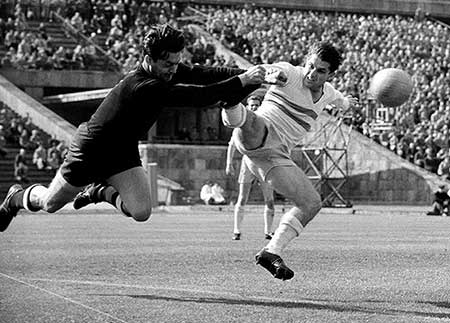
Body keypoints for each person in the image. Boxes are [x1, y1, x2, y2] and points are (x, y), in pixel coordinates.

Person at [0, 23, 267, 232]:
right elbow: (198, 98)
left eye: (176, 63)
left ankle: (99, 191)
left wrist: (244, 72)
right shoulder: (144, 86)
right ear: (148, 57)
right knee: (50, 204)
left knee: (141, 211)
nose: (174, 70)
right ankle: (15, 196)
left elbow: (204, 74)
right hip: (91, 149)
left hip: (122, 150)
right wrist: (243, 81)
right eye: (168, 64)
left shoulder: (166, 69)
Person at [221, 42, 358, 280]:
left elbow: (342, 102)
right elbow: (267, 71)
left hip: (275, 156)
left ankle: (271, 251)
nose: (311, 73)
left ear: (331, 75)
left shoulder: (329, 93)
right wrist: (271, 75)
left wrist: (349, 103)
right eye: (310, 65)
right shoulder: (290, 73)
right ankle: (230, 103)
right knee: (251, 122)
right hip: (261, 133)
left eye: (320, 71)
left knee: (312, 203)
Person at [226, 95, 275, 241]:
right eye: (251, 105)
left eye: (256, 105)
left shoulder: (266, 122)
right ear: (247, 107)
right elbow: (232, 144)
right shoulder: (241, 124)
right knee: (242, 197)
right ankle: (237, 231)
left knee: (269, 199)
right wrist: (228, 163)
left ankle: (268, 232)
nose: (254, 107)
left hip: (264, 163)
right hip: (247, 163)